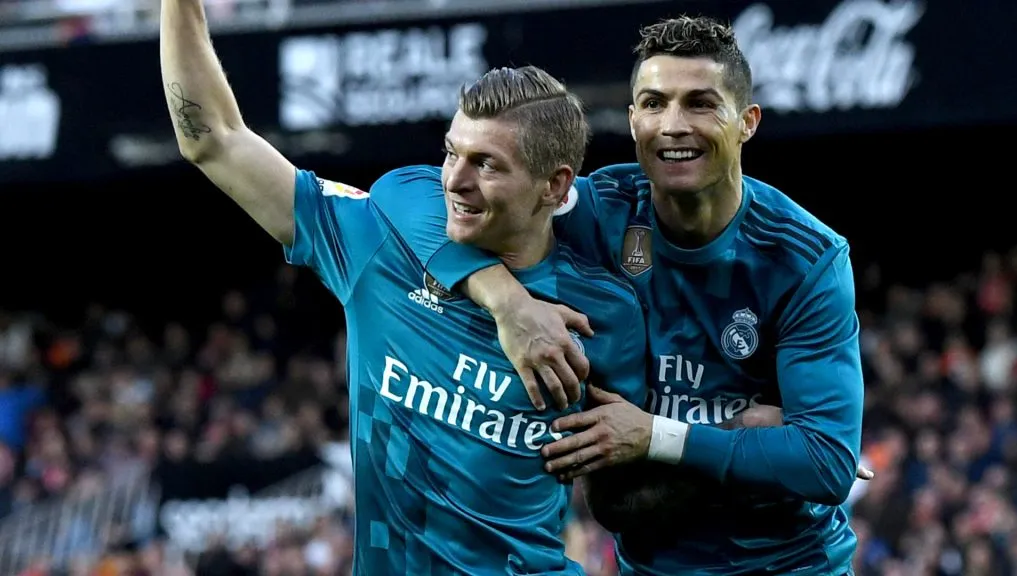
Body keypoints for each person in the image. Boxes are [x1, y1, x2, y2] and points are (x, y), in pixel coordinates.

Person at [158, 2, 649, 574]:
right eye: (451, 151)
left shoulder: (605, 311)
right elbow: (212, 139)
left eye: (486, 165)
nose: (455, 180)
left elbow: (632, 494)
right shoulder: (378, 244)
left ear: (554, 183)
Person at [370, 14, 866, 576]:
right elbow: (404, 193)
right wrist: (505, 300)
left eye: (700, 103)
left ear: (747, 121)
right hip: (647, 564)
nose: (673, 125)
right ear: (632, 120)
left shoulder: (804, 257)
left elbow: (826, 463)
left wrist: (657, 435)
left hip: (790, 566)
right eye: (653, 103)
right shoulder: (602, 207)